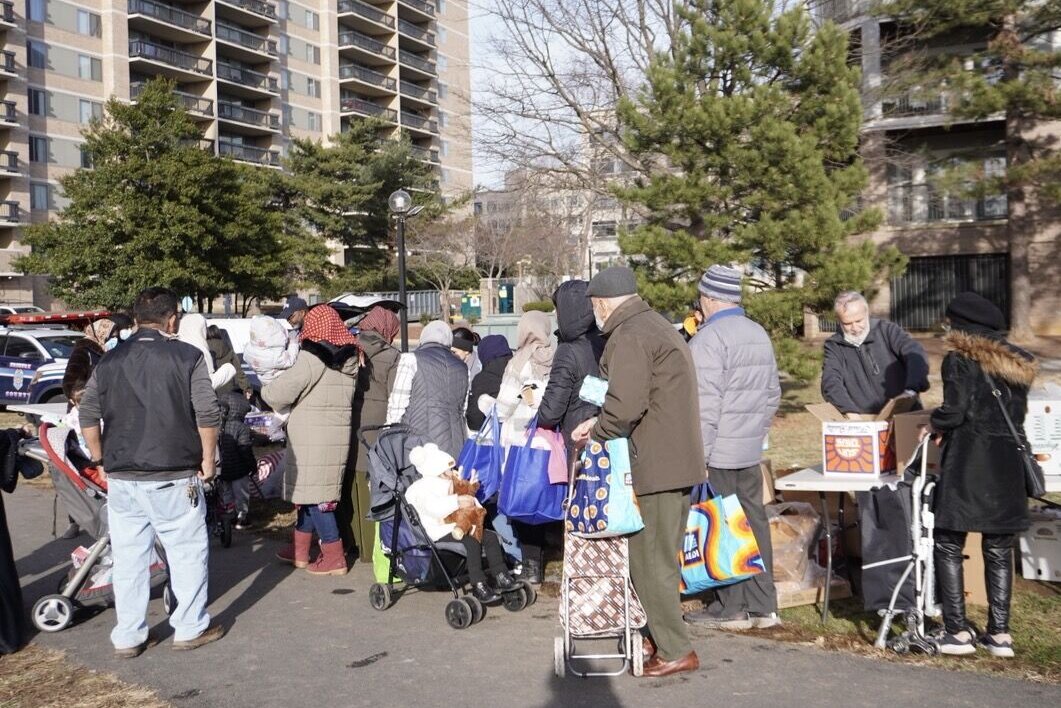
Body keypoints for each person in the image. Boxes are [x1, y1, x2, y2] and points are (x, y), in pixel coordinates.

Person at [571, 266, 705, 678]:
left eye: (594, 306)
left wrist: (596, 432)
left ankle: (675, 649)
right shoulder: (652, 326)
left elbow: (625, 406)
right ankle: (656, 637)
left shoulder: (630, 335)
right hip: (669, 462)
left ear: (602, 303)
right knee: (654, 559)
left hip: (656, 465)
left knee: (650, 564)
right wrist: (599, 421)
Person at [79, 287, 224, 657]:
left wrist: (99, 458)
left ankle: (129, 636)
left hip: (122, 473)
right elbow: (207, 413)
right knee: (186, 551)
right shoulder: (187, 356)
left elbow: (87, 413)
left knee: (129, 558)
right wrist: (208, 460)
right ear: (172, 319)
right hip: (173, 471)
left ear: (136, 318)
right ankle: (189, 628)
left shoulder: (109, 360)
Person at [929, 292, 1037, 658]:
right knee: (998, 546)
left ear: (960, 325)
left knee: (948, 540)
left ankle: (957, 631)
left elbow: (955, 411)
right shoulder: (1018, 363)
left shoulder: (959, 360)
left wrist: (933, 422)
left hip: (969, 461)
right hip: (1007, 462)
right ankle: (1000, 635)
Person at [683, 265, 782, 629]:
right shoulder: (758, 333)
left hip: (718, 452)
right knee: (754, 522)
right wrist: (755, 433)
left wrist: (701, 456)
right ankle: (764, 605)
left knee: (722, 528)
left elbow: (703, 408)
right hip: (748, 450)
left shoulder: (708, 340)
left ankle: (731, 606)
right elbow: (772, 394)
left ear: (709, 299)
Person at [264, 305, 359, 576]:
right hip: (333, 434)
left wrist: (266, 391)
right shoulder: (351, 357)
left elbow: (281, 392)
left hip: (311, 436)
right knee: (310, 493)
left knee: (318, 498)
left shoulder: (314, 355)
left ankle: (334, 555)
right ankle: (300, 550)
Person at [484, 310, 556, 584]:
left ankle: (531, 566)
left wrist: (489, 406)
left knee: (524, 504)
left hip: (521, 441)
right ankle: (549, 555)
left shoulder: (521, 361)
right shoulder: (556, 356)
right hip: (550, 440)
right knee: (545, 499)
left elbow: (506, 406)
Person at [405, 443, 517, 604]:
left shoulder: (450, 482)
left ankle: (501, 575)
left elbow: (468, 501)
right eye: (448, 470)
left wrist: (471, 501)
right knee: (472, 542)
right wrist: (457, 501)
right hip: (439, 529)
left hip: (460, 525)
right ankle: (478, 584)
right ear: (437, 470)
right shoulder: (421, 489)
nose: (453, 472)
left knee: (490, 537)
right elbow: (433, 508)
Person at [343, 306, 401, 558]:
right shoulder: (392, 355)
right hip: (377, 425)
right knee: (373, 485)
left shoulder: (349, 347)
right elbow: (396, 393)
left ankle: (351, 542)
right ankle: (371, 549)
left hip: (349, 419)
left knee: (350, 484)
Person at [821, 291, 930, 415]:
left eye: (859, 321)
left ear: (867, 313)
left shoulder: (888, 330)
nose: (855, 328)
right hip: (864, 420)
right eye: (847, 324)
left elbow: (915, 354)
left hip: (905, 412)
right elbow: (830, 382)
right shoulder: (834, 346)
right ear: (838, 320)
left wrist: (911, 389)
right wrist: (848, 411)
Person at [537, 279, 604, 452]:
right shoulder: (603, 340)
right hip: (602, 433)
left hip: (576, 440)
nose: (555, 314)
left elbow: (550, 414)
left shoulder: (568, 351)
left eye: (558, 309)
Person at [386, 321, 468, 458]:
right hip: (456, 446)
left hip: (417, 444)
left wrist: (389, 436)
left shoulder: (410, 359)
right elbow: (463, 410)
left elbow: (397, 405)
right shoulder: (463, 367)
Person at [218, 390, 255, 530]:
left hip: (223, 469)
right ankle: (241, 518)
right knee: (241, 495)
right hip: (239, 469)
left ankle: (228, 517)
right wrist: (252, 465)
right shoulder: (241, 427)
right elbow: (245, 449)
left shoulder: (219, 426)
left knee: (227, 494)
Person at [178, 313, 236, 391]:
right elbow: (207, 384)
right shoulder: (200, 351)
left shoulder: (173, 348)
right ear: (202, 329)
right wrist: (228, 369)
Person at [466, 334, 512, 430]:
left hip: (496, 435)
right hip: (524, 433)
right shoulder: (521, 369)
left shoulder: (482, 379)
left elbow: (475, 422)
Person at [206, 325, 251, 397]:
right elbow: (239, 371)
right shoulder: (228, 348)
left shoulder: (203, 349)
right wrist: (246, 388)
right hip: (228, 389)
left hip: (209, 389)